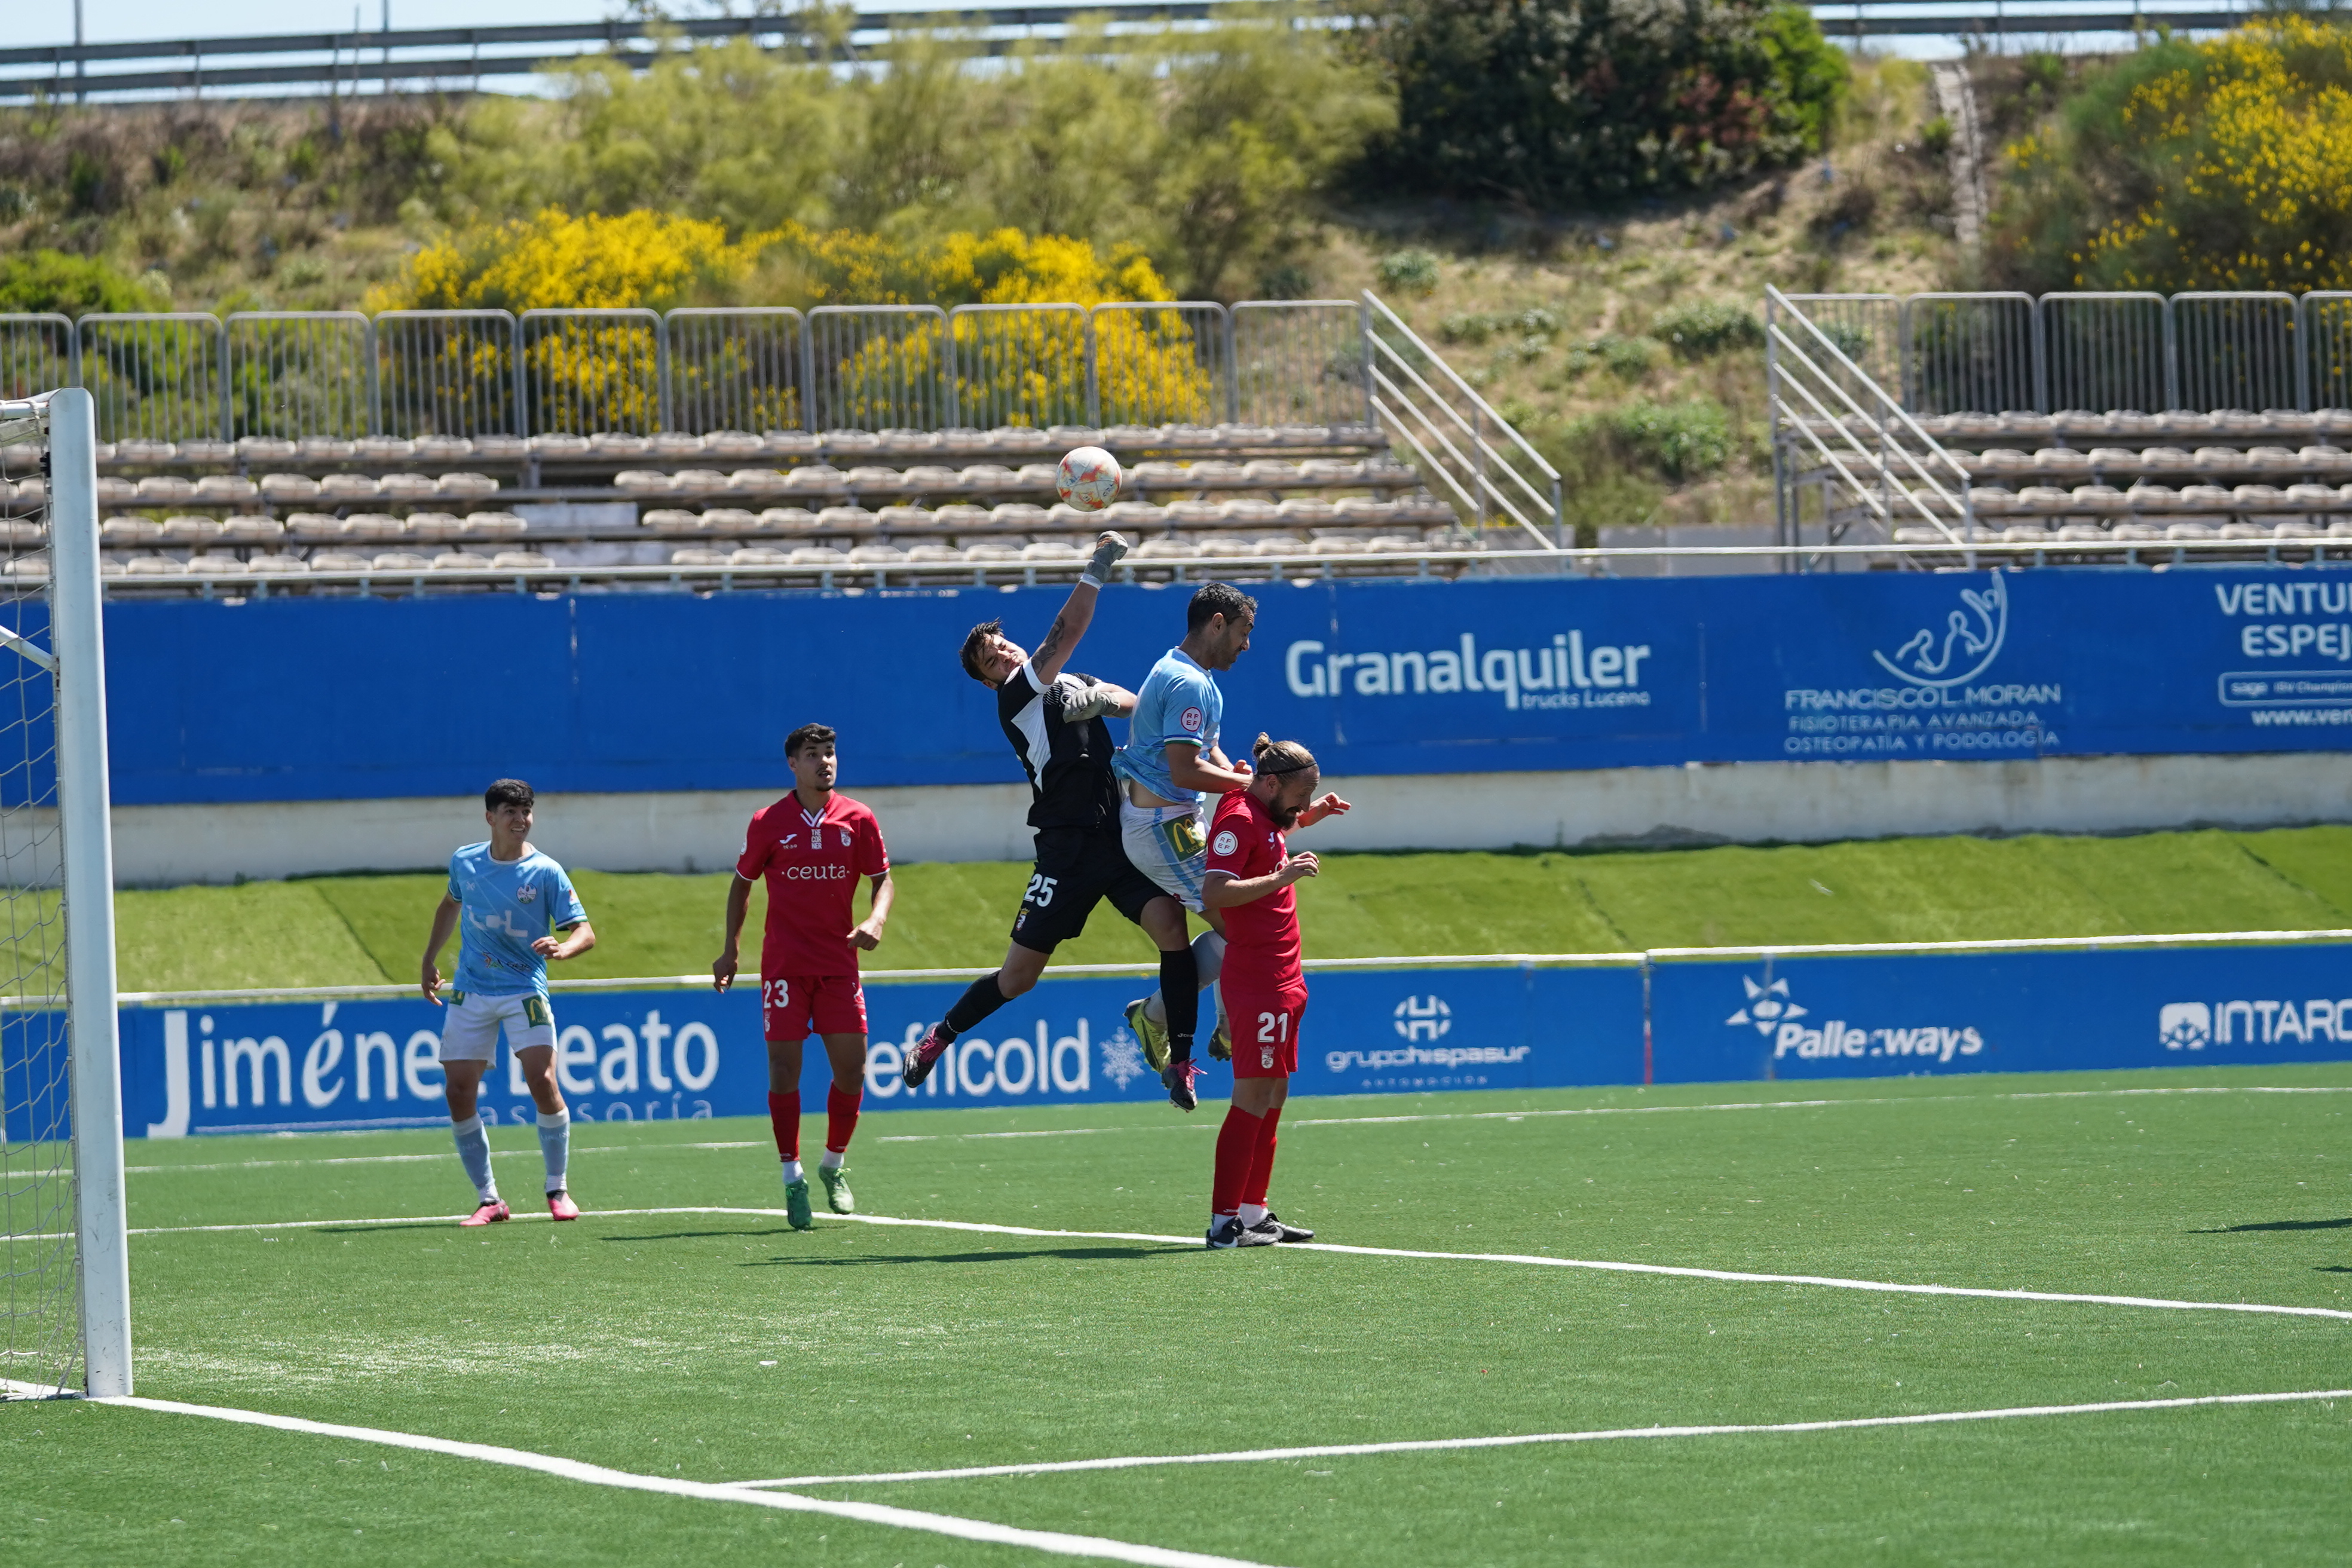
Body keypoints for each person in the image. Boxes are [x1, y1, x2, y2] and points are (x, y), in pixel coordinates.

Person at [905, 532, 1220, 1094]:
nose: (1003, 653)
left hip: (1119, 836)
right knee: (1019, 978)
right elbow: (1065, 632)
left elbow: (1136, 704)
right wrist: (1098, 566)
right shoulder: (1018, 698)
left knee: (1172, 928)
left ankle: (1179, 1058)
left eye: (1003, 645)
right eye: (990, 658)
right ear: (987, 680)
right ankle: (941, 1036)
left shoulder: (1068, 681)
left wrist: (1101, 700)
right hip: (1066, 850)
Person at [714, 722, 894, 1232]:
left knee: (852, 1072)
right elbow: (742, 885)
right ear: (793, 764)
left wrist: (876, 918)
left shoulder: (858, 818)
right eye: (814, 754)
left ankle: (833, 1165)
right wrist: (730, 950)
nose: (825, 762)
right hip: (786, 968)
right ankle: (792, 1176)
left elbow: (883, 880)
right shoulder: (768, 821)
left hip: (839, 965)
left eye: (831, 753)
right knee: (783, 1072)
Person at [419, 779, 597, 1227]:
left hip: (524, 990)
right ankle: (489, 1199)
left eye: (527, 812)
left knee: (542, 1081)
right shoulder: (466, 862)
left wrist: (564, 949)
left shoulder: (546, 871)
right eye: (511, 812)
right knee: (458, 1093)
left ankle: (557, 1188)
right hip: (471, 990)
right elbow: (449, 906)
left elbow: (584, 932)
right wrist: (428, 959)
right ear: (490, 818)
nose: (521, 820)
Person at [1111, 581, 1259, 1110]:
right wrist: (1251, 788)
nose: (1247, 645)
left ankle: (1158, 1016)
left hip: (1172, 822)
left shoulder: (1188, 675)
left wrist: (1233, 772)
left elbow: (1206, 750)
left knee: (1245, 919)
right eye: (1243, 632)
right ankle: (1211, 1029)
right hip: (1160, 827)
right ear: (1217, 623)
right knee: (1245, 919)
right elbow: (1182, 767)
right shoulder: (1189, 683)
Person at [1201, 735, 1349, 1249]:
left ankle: (1254, 1212)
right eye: (1301, 796)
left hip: (1286, 976)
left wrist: (1313, 817)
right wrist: (1284, 876)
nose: (1303, 806)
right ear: (1269, 782)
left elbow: (1277, 830)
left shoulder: (1265, 811)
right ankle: (1224, 1223)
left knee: (1275, 1091)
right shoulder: (1239, 818)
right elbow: (1214, 892)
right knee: (1252, 1094)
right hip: (1259, 978)